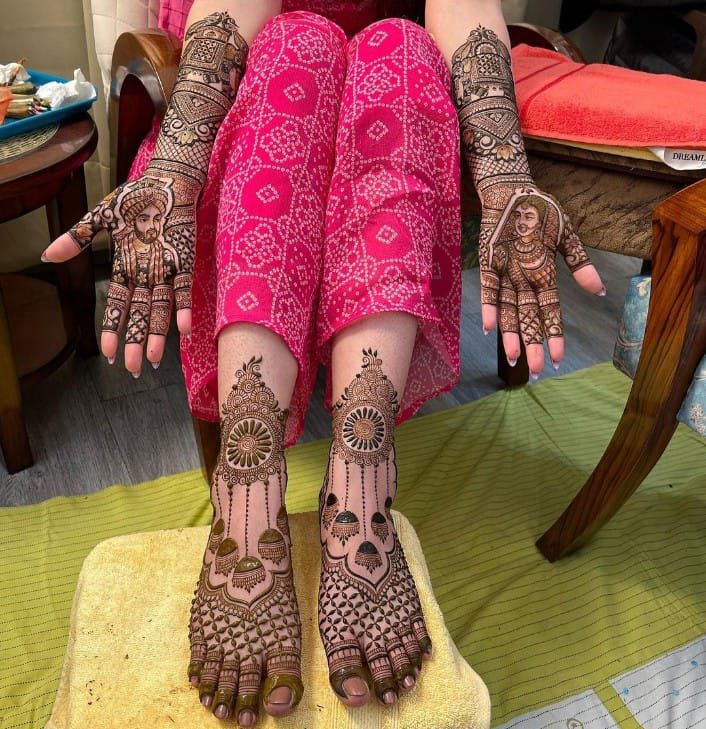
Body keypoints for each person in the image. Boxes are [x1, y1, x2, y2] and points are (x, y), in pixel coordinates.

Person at [43, 0, 605, 725]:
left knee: (401, 52)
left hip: (385, 83)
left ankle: (360, 489)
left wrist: (503, 179)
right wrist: (177, 163)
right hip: (249, 72)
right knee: (297, 45)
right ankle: (247, 503)